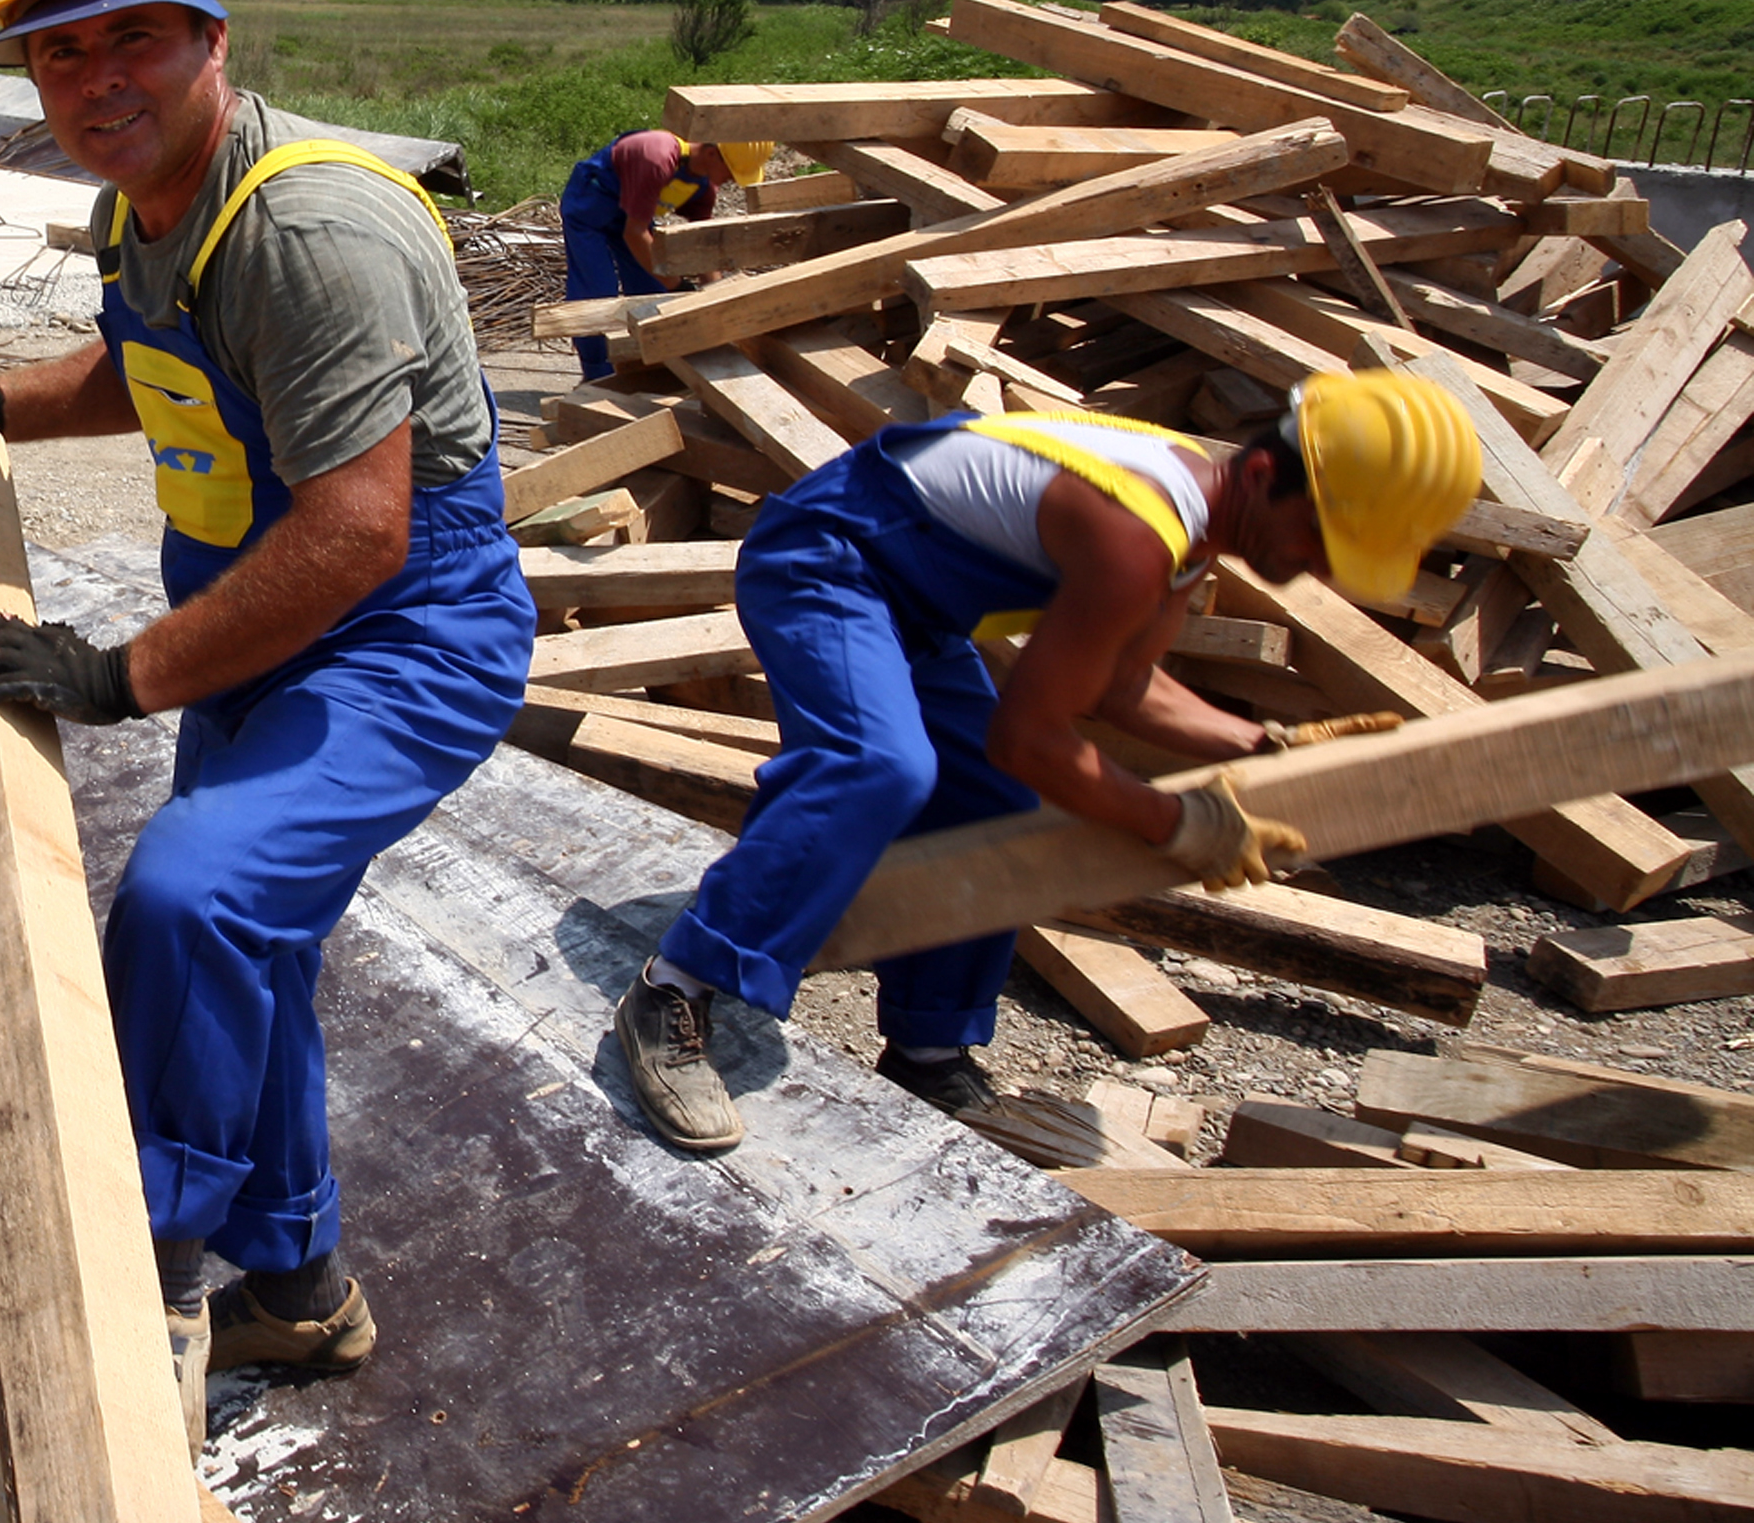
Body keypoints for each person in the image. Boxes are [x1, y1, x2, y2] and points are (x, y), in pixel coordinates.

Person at [0, 0, 533, 1454]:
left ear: (205, 34)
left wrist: (115, 670)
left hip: (396, 629)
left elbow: (361, 534)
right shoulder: (147, 206)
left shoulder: (308, 229)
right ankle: (299, 1293)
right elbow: (154, 361)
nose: (98, 81)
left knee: (192, 896)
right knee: (251, 951)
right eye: (60, 53)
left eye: (132, 41)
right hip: (261, 609)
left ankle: (146, 1264)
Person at [612, 374, 1479, 1155]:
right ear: (1260, 477)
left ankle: (927, 1048)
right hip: (826, 558)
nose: (1318, 567)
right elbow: (1031, 735)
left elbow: (1126, 689)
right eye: (1324, 535)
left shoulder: (1190, 527)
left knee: (994, 803)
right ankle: (675, 987)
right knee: (879, 765)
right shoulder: (1136, 531)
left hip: (911, 601)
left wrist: (1265, 745)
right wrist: (1175, 823)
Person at [557, 127, 768, 381]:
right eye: (732, 173)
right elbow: (634, 234)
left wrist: (714, 297)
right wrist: (677, 286)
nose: (732, 180)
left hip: (632, 216)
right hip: (590, 204)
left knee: (652, 290)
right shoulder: (656, 159)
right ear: (712, 154)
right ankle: (597, 374)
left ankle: (644, 367)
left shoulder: (702, 187)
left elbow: (702, 243)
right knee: (596, 292)